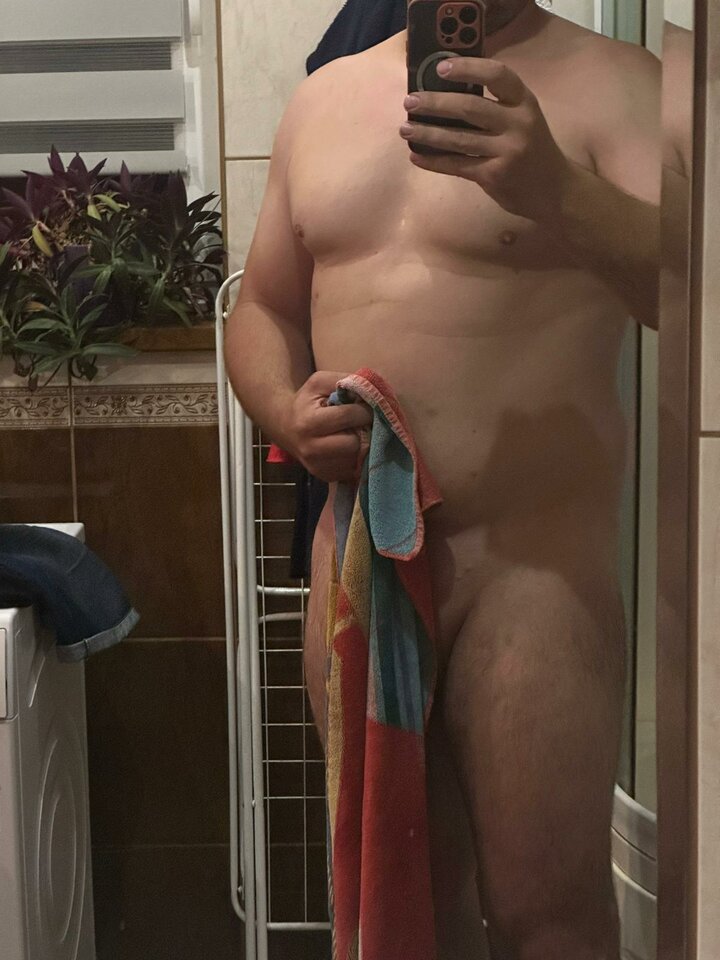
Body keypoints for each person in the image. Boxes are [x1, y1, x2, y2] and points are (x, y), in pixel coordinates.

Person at [224, 1, 661, 957]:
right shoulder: (325, 100)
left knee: (550, 917)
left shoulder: (624, 86)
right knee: (403, 908)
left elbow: (697, 297)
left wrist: (556, 190)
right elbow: (261, 308)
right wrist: (287, 414)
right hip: (360, 562)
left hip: (533, 577)